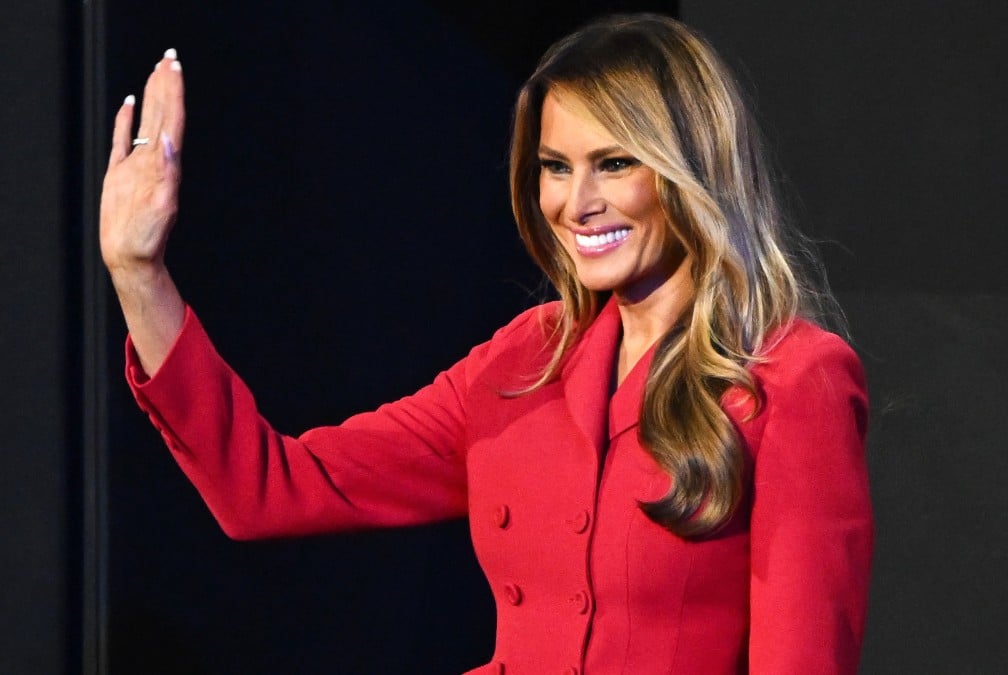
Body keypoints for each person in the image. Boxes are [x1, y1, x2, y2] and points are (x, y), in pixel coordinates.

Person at [100, 14, 872, 675]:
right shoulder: (521, 363)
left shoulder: (793, 379)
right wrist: (140, 275)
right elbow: (268, 487)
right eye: (555, 168)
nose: (578, 202)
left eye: (614, 163)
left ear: (689, 170)